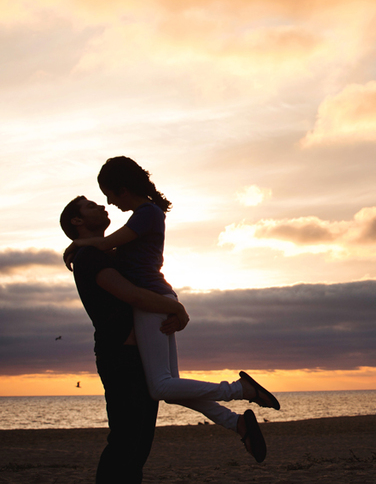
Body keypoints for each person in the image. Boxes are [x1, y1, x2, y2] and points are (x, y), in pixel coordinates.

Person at [61, 194, 267, 470]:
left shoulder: (101, 252)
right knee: (127, 441)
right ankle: (241, 390)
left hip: (135, 353)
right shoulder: (89, 257)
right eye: (90, 206)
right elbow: (132, 294)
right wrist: (177, 309)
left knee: (141, 439)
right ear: (77, 220)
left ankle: (236, 422)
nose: (101, 205)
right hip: (120, 356)